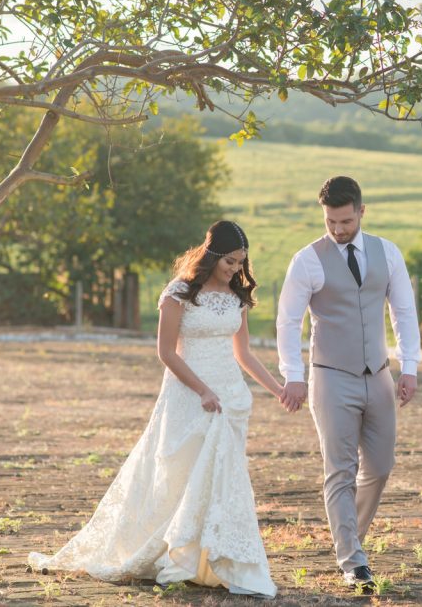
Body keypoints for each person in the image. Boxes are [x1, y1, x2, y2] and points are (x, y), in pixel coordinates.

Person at [28, 221, 281, 598]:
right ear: (212, 254)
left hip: (229, 397)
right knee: (178, 476)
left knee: (221, 482)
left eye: (241, 262)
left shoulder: (237, 295)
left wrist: (277, 389)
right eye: (229, 261)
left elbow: (243, 353)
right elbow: (165, 353)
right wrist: (202, 391)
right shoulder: (179, 292)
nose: (235, 269)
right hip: (189, 394)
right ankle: (172, 557)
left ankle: (216, 561)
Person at [276, 176, 420, 592]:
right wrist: (294, 376)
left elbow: (404, 312)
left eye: (344, 221)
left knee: (380, 466)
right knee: (340, 470)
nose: (337, 229)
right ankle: (353, 562)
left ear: (361, 210)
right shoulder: (307, 260)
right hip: (330, 376)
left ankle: (349, 537)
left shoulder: (387, 252)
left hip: (378, 374)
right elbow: (288, 321)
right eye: (330, 222)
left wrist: (409, 367)